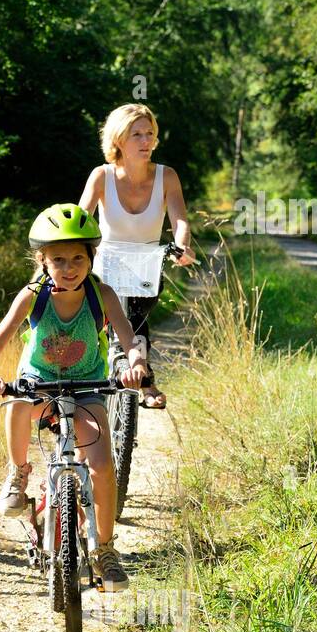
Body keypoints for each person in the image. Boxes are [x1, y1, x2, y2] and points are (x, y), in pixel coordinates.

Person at [0, 204, 148, 591]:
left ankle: (105, 550)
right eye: (58, 259)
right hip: (38, 383)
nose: (68, 267)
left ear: (91, 257)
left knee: (102, 466)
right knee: (18, 403)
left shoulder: (101, 295)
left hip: (88, 385)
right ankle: (18, 473)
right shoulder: (32, 296)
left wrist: (135, 365)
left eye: (77, 258)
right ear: (42, 261)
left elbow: (128, 339)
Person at [77, 104, 196, 409]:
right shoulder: (101, 176)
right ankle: (81, 386)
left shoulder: (166, 177)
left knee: (137, 319)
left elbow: (180, 220)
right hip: (105, 264)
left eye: (150, 134)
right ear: (118, 139)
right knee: (93, 324)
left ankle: (145, 381)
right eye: (137, 135)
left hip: (146, 266)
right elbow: (80, 221)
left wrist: (182, 246)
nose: (146, 141)